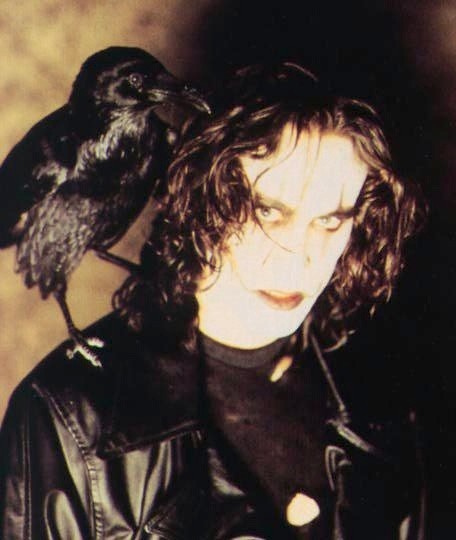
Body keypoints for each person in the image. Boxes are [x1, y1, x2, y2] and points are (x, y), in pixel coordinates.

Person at [0, 62, 424, 539]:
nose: (299, 256)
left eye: (330, 220)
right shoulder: (69, 417)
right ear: (203, 197)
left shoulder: (382, 407)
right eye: (268, 211)